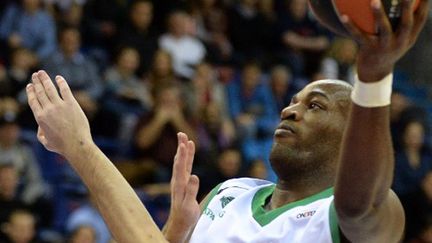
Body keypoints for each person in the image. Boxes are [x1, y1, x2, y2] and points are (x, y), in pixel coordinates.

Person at [24, 0, 429, 242]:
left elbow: (361, 202)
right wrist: (175, 234)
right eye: (293, 101)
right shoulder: (229, 194)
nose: (290, 111)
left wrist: (374, 74)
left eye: (316, 106)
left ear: (350, 140)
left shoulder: (351, 216)